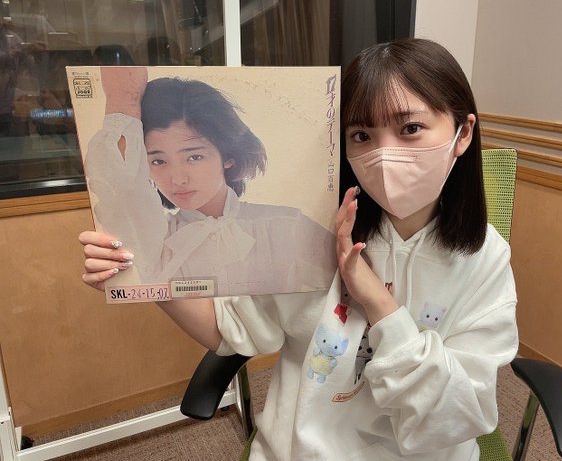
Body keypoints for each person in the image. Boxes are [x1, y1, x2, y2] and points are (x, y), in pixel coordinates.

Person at [80, 38, 518, 460]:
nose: (384, 155)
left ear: (463, 133)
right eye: (362, 135)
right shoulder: (308, 235)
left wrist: (379, 304)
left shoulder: (485, 258)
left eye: (411, 128)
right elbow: (234, 329)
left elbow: (458, 414)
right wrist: (140, 275)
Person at [84, 67, 335, 297]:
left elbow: (344, 291)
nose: (178, 179)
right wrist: (123, 101)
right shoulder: (154, 239)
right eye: (158, 161)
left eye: (194, 157)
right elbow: (120, 182)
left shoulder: (286, 225)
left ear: (228, 156)